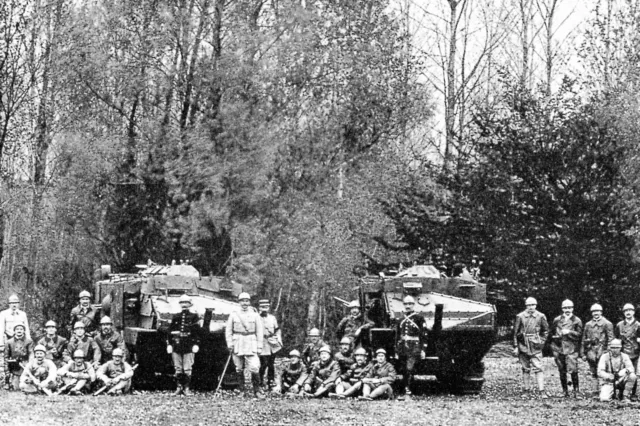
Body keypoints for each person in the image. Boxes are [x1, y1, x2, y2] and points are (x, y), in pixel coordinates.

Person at [225, 292, 264, 398]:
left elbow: (259, 332)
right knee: (239, 368)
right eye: (242, 301)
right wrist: (230, 343)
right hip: (237, 343)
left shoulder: (255, 315)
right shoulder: (233, 315)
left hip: (251, 343)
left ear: (249, 302)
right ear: (239, 302)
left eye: (246, 301)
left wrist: (259, 346)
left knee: (255, 367)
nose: (244, 303)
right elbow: (228, 331)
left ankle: (257, 391)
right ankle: (242, 390)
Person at [513, 296, 549, 398]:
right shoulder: (520, 316)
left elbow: (546, 331)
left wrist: (541, 342)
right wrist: (516, 346)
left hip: (535, 345)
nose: (531, 307)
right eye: (529, 305)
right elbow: (515, 333)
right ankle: (526, 390)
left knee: (538, 367)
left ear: (536, 305)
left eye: (533, 305)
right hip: (523, 345)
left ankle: (541, 390)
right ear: (526, 306)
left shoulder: (540, 316)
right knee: (525, 368)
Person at [167, 294, 201, 396]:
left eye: (186, 303)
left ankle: (186, 388)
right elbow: (170, 331)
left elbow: (197, 332)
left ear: (190, 304)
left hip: (188, 345)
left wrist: (196, 343)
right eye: (182, 303)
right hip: (177, 344)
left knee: (187, 368)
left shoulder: (194, 317)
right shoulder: (176, 316)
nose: (184, 305)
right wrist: (169, 344)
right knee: (178, 368)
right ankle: (179, 387)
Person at [395, 295, 427, 400]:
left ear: (414, 305)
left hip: (414, 347)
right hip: (403, 347)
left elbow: (424, 335)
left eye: (410, 304)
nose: (408, 306)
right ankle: (405, 389)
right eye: (406, 304)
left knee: (409, 368)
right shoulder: (400, 319)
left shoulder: (419, 318)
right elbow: (397, 335)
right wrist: (396, 350)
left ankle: (408, 392)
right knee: (404, 369)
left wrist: (423, 350)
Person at [549, 299, 582, 397]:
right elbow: (552, 333)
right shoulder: (557, 319)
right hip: (559, 347)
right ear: (562, 308)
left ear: (573, 308)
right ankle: (565, 391)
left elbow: (580, 335)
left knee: (573, 369)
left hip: (571, 348)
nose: (567, 310)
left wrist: (569, 332)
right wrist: (555, 340)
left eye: (569, 308)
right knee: (561, 369)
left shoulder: (577, 320)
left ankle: (576, 391)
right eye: (565, 308)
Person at [581, 303, 614, 397]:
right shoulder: (588, 325)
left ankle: (606, 392)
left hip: (602, 350)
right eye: (594, 311)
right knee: (593, 372)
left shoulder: (607, 323)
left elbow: (611, 339)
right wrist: (583, 353)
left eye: (598, 311)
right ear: (592, 313)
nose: (596, 313)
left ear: (601, 312)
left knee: (604, 372)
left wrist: (607, 352)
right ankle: (595, 391)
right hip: (591, 351)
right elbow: (584, 339)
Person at [614, 303, 640, 399]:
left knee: (633, 373)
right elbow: (616, 340)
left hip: (634, 353)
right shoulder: (619, 325)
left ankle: (633, 394)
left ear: (633, 312)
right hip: (623, 353)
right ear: (623, 313)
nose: (628, 312)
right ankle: (621, 392)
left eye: (630, 310)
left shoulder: (638, 325)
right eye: (626, 311)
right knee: (622, 372)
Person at [258, 299, 282, 390]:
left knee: (271, 363)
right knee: (263, 363)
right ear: (259, 307)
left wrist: (277, 338)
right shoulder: (256, 317)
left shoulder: (272, 318)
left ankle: (270, 381)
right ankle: (260, 381)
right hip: (262, 342)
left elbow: (277, 329)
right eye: (262, 307)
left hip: (271, 342)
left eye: (266, 307)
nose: (264, 309)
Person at [3, 322, 33, 390]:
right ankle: (9, 382)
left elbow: (31, 354)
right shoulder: (9, 342)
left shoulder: (29, 341)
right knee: (16, 387)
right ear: (14, 331)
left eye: (21, 329)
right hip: (14, 366)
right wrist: (7, 372)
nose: (19, 331)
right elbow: (6, 357)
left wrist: (30, 365)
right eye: (17, 329)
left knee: (26, 384)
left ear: (24, 331)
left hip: (25, 365)